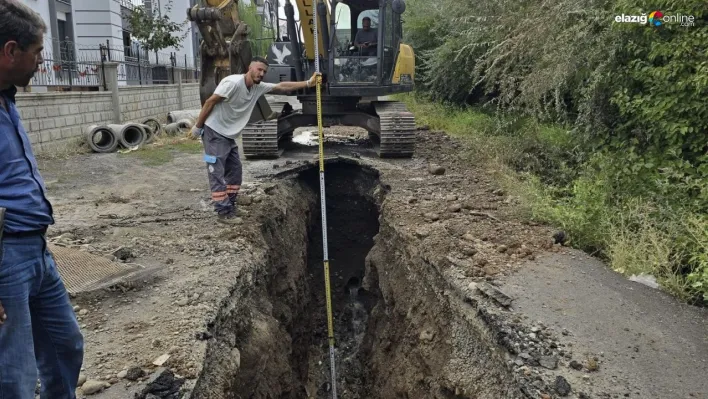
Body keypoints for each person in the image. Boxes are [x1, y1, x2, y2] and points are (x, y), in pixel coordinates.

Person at [0, 1, 84, 398]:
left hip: (35, 250)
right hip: (5, 258)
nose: (40, 63)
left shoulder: (6, 100)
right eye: (36, 54)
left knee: (65, 345)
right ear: (10, 51)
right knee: (13, 377)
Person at [192, 56, 318, 223]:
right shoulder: (233, 83)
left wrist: (308, 83)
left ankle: (230, 205)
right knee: (217, 172)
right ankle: (223, 212)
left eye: (264, 71)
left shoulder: (257, 88)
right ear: (250, 68)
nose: (261, 74)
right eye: (259, 69)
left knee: (235, 172)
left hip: (229, 135)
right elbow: (210, 102)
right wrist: (198, 127)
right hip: (214, 132)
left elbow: (281, 86)